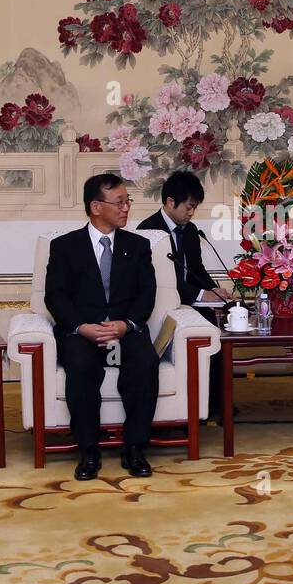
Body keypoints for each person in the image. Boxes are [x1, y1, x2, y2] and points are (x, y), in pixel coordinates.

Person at [46, 172, 160, 481]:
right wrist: (81, 326)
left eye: (127, 202)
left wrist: (127, 324)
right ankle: (89, 451)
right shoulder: (64, 247)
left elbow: (146, 292)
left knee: (145, 362)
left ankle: (135, 448)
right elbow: (55, 296)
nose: (126, 208)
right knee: (81, 366)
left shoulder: (138, 246)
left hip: (124, 331)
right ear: (96, 207)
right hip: (84, 333)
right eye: (119, 202)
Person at [136, 171, 234, 414]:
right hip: (162, 306)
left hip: (190, 303)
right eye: (189, 207)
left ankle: (215, 403)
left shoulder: (190, 231)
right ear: (170, 202)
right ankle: (194, 405)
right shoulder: (148, 231)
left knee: (215, 330)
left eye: (194, 208)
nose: (191, 213)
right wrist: (201, 296)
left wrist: (215, 291)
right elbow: (161, 282)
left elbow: (196, 270)